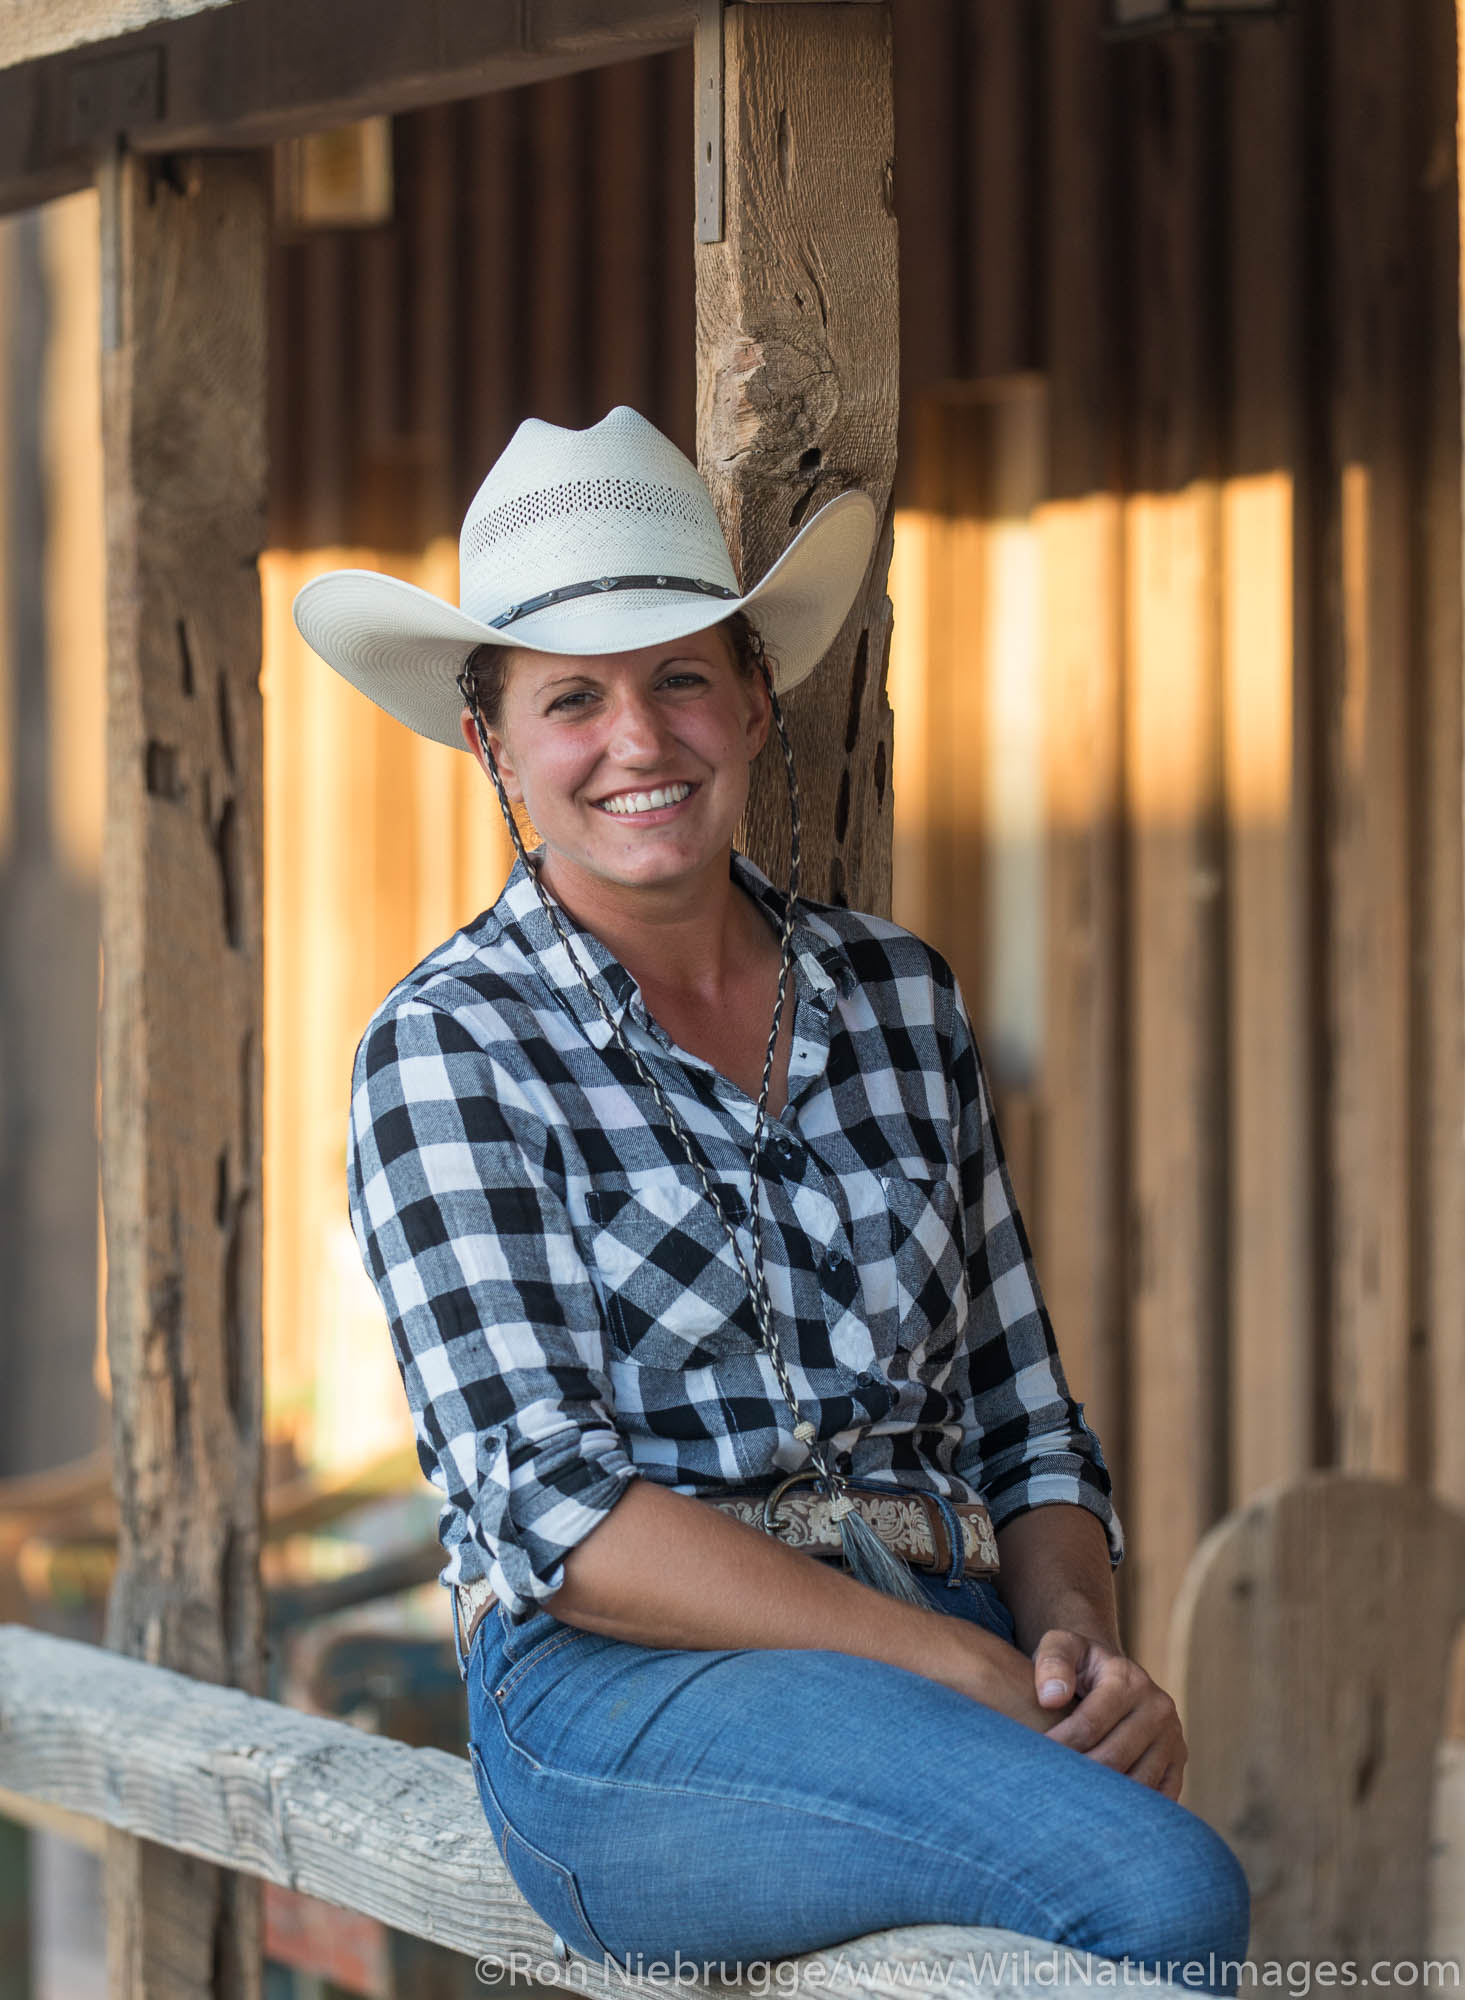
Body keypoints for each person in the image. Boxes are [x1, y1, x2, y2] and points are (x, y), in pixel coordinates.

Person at [294, 407, 1250, 1986]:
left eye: (678, 674)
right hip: (625, 1696)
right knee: (1153, 1898)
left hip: (942, 1641)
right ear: (492, 744)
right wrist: (957, 1666)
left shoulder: (895, 998)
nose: (637, 742)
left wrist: (1073, 1649)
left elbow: (1019, 1417)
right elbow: (558, 1512)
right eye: (571, 702)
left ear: (751, 695)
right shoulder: (450, 1046)